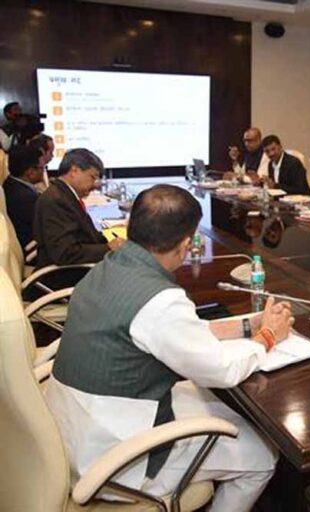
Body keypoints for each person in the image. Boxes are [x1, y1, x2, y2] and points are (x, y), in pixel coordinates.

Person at [45, 184, 292, 511]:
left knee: (218, 407)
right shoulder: (160, 300)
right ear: (187, 244)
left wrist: (248, 326)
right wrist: (269, 337)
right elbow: (222, 370)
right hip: (116, 457)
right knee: (262, 454)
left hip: (75, 427)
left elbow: (169, 332)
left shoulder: (111, 265)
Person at [33, 148, 123, 288]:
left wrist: (110, 242)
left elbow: (82, 236)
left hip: (76, 271)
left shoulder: (64, 195)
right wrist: (107, 248)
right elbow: (65, 253)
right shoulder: (56, 200)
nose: (94, 184)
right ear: (74, 170)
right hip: (63, 278)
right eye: (92, 177)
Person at [3, 145, 44, 247]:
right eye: (42, 167)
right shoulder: (27, 198)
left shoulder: (8, 184)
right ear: (30, 172)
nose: (43, 171)